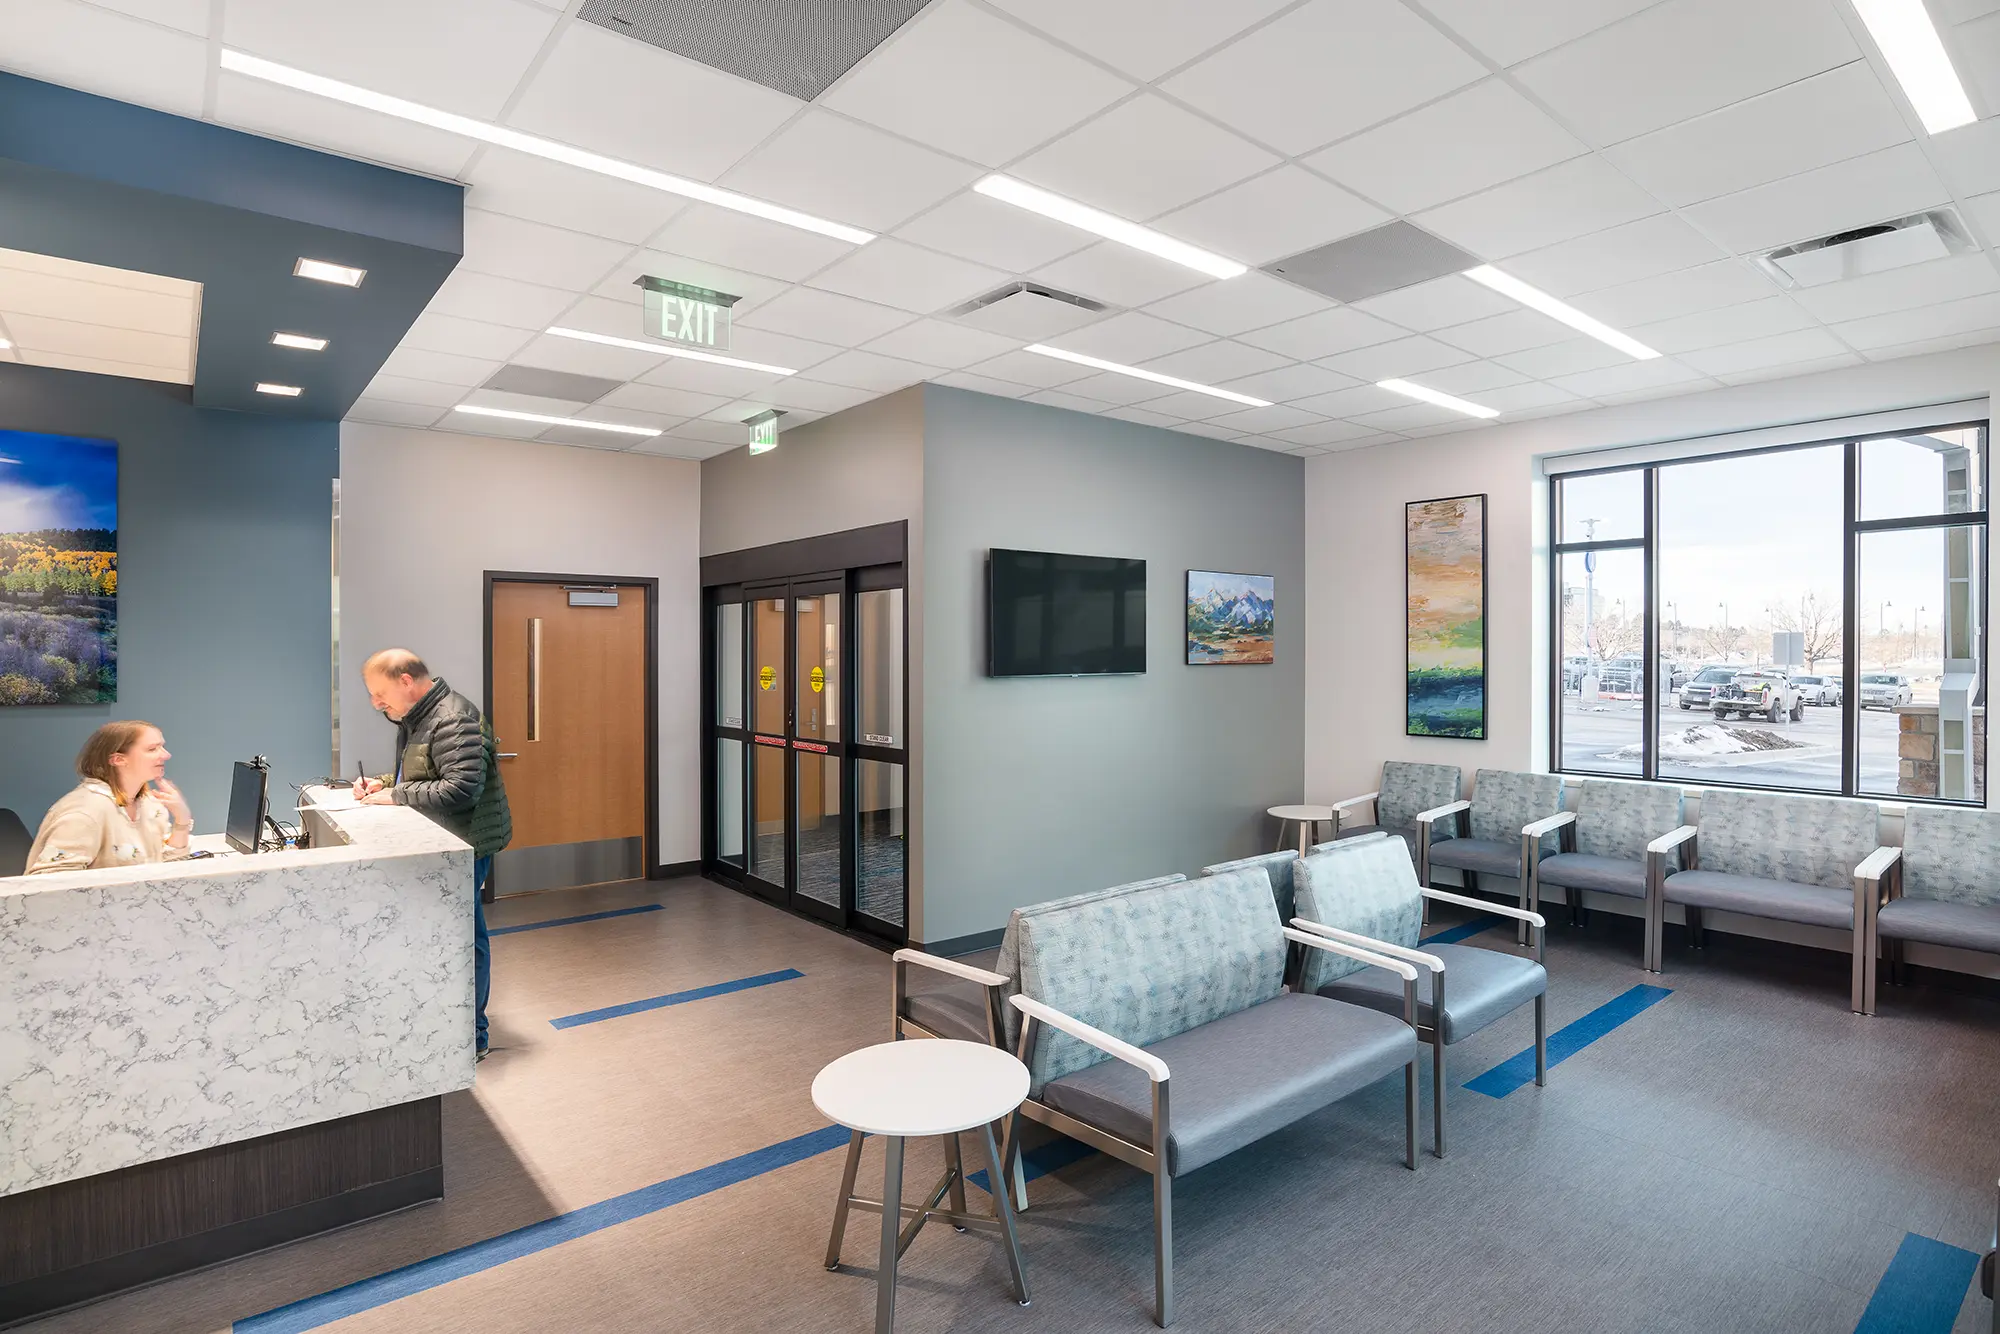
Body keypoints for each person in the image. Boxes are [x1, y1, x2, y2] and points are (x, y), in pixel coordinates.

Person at [353, 649, 512, 1057]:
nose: (375, 703)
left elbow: (460, 789)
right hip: (443, 842)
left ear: (406, 681)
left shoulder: (454, 718)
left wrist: (396, 794)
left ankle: (473, 1036)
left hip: (465, 843)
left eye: (379, 693)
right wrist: (384, 782)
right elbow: (426, 772)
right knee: (452, 934)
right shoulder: (418, 717)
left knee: (465, 937)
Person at [27, 721, 194, 874]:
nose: (166, 755)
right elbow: (51, 882)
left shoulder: (149, 804)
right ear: (118, 760)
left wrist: (182, 819)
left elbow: (167, 868)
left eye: (162, 747)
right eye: (152, 749)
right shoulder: (85, 811)